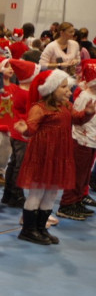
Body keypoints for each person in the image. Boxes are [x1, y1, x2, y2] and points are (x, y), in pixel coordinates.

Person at [15, 70, 95, 243]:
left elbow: (77, 119)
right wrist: (25, 130)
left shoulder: (66, 106)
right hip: (42, 156)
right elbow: (32, 128)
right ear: (51, 89)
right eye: (64, 87)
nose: (69, 91)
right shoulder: (39, 108)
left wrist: (87, 112)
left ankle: (41, 228)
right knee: (37, 192)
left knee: (51, 193)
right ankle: (28, 229)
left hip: (59, 155)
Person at [57, 62, 96, 221]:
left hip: (92, 140)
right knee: (76, 173)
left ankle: (78, 200)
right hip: (82, 140)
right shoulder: (85, 96)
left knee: (84, 175)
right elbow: (77, 118)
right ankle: (67, 203)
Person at [0, 59, 40, 209]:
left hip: (16, 131)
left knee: (14, 162)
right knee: (20, 165)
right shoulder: (27, 93)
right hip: (23, 133)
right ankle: (16, 194)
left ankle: (8, 193)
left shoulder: (18, 89)